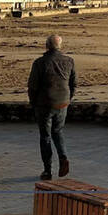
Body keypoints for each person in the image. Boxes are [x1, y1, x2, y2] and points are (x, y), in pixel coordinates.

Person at [27, 34, 76, 181]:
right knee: (58, 131)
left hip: (44, 104)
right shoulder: (69, 61)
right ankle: (63, 157)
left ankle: (47, 170)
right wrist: (68, 99)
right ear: (60, 46)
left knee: (46, 136)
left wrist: (33, 103)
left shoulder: (40, 63)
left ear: (47, 46)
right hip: (62, 103)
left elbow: (32, 86)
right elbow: (73, 84)